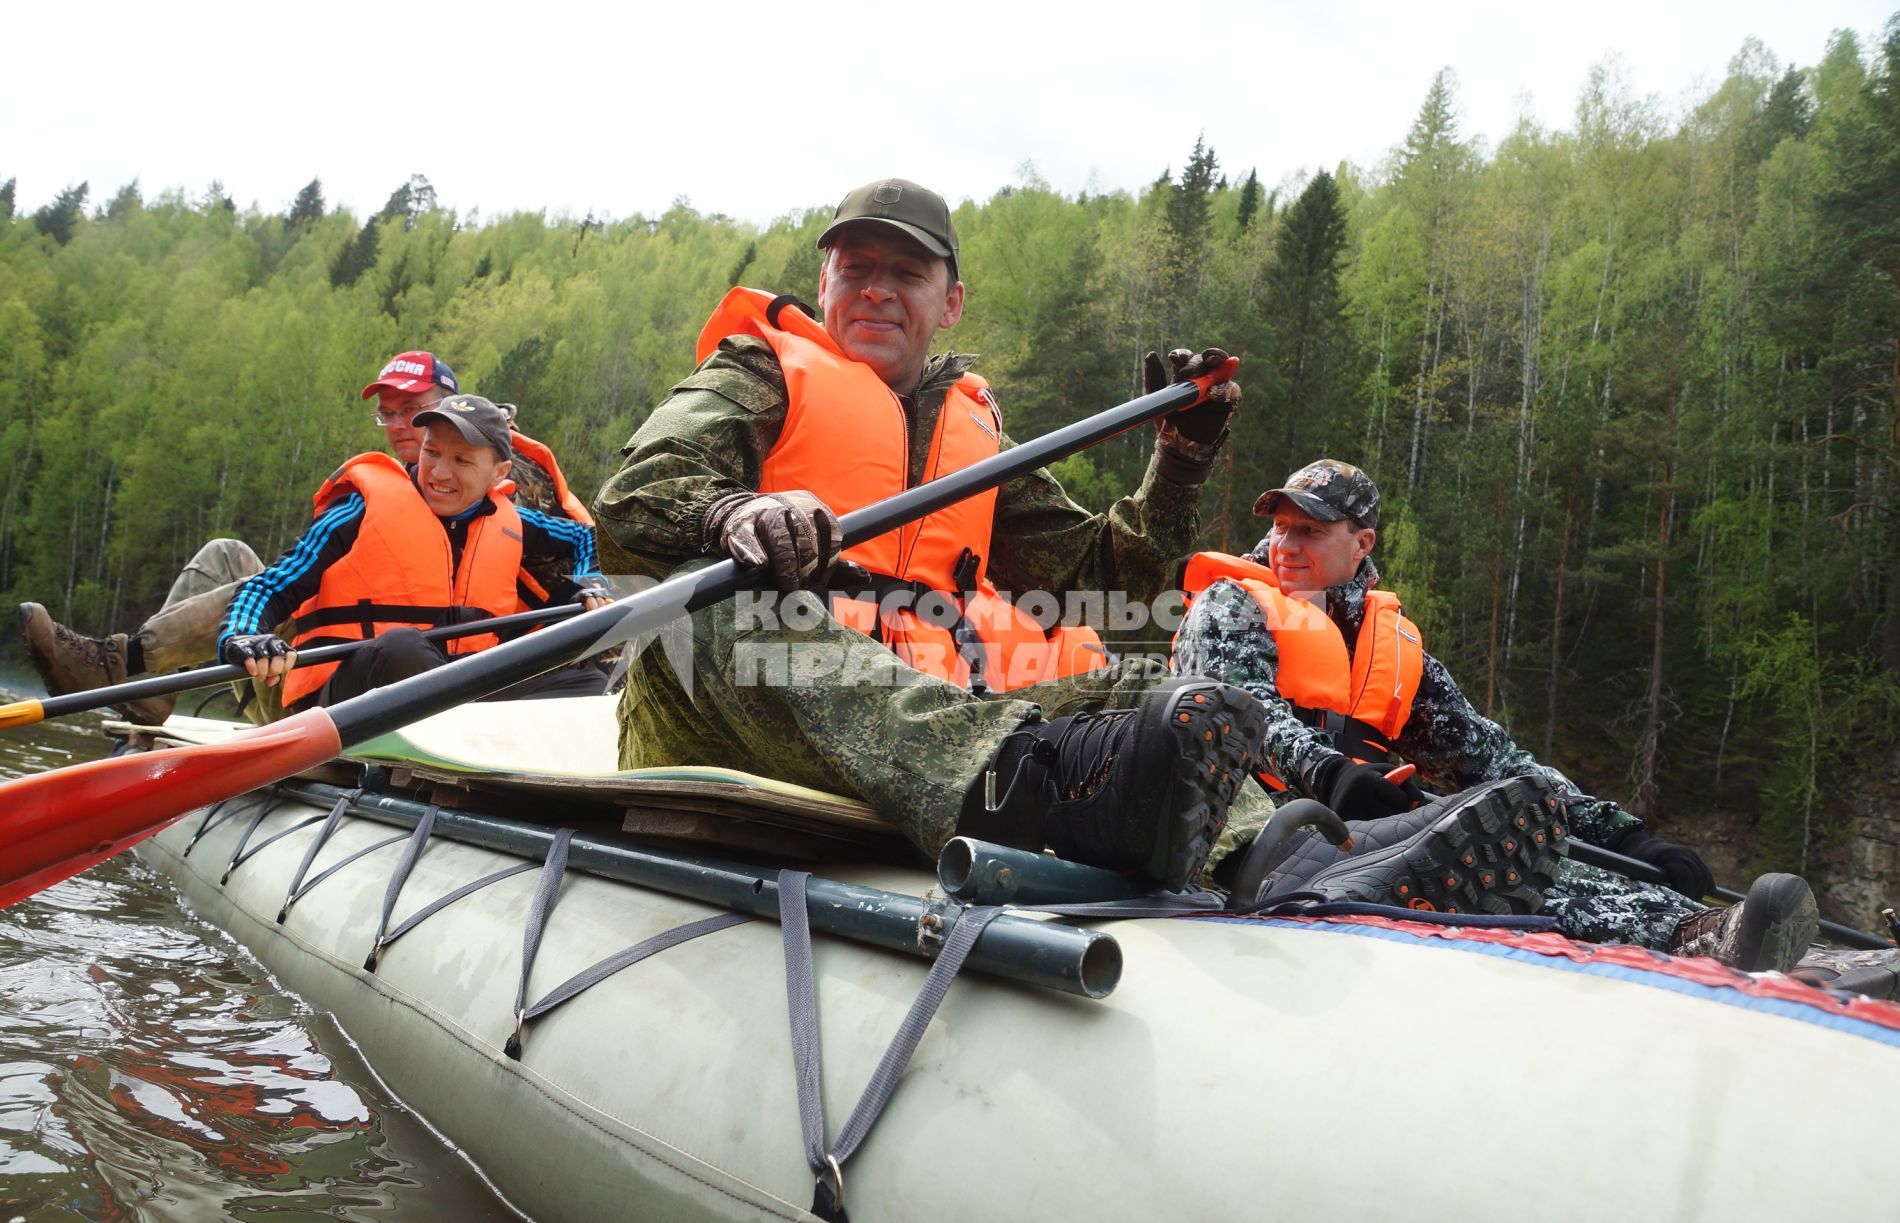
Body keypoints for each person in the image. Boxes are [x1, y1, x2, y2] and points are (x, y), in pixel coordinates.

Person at [592, 176, 1559, 894]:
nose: (878, 291)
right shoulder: (758, 372)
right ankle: (1036, 784)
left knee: (1155, 689)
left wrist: (1178, 459)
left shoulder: (968, 429)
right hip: (728, 704)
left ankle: (1304, 857)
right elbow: (634, 497)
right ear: (826, 280)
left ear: (950, 301)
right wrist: (736, 515)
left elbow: (1113, 582)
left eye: (907, 273)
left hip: (916, 722)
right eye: (858, 269)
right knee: (723, 613)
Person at [1173, 458, 1825, 971]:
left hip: (1356, 839)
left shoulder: (1387, 644)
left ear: (1360, 541)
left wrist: (1624, 835)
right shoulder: (1232, 603)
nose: (1286, 542)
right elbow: (1241, 710)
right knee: (1493, 866)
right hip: (1251, 840)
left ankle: (1710, 928)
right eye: (1281, 525)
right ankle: (1689, 937)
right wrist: (1334, 774)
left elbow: (1486, 756)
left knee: (1527, 820)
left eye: (1309, 530)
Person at [18, 351, 596, 722]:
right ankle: (137, 676)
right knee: (229, 557)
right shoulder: (369, 500)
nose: (399, 427)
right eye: (392, 417)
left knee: (573, 674)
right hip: (344, 678)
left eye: (411, 410)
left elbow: (577, 543)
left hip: (462, 672)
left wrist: (589, 584)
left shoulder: (513, 502)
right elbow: (277, 584)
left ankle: (130, 670)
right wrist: (244, 636)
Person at [219, 394, 610, 708]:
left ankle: (466, 729)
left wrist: (591, 580)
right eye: (432, 452)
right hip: (350, 696)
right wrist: (243, 635)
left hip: (456, 687)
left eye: (461, 460)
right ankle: (468, 728)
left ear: (499, 473)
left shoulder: (514, 523)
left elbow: (587, 538)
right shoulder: (361, 509)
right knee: (401, 647)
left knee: (587, 679)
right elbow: (268, 586)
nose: (439, 473)